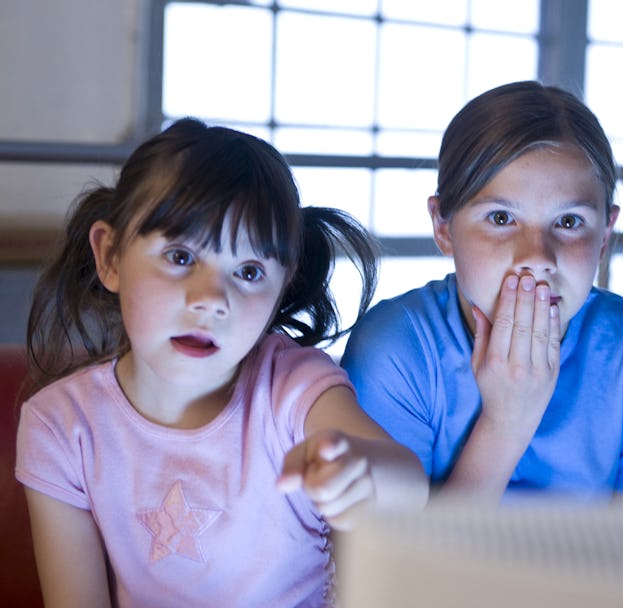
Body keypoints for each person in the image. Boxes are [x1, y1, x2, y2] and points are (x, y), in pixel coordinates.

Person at [16, 118, 428, 607]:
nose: (212, 299)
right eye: (180, 257)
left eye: (249, 272)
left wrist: (360, 472)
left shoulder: (293, 385)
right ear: (110, 257)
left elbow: (407, 484)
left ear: (283, 286)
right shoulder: (60, 426)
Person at [340, 81, 623, 505]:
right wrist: (507, 422)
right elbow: (392, 547)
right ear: (443, 226)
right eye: (501, 218)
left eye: (569, 222)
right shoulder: (394, 349)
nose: (537, 257)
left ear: (605, 235)